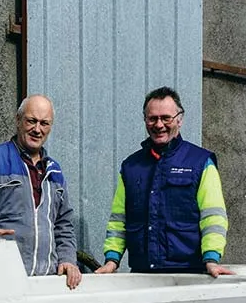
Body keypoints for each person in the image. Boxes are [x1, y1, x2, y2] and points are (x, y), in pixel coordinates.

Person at [95, 86, 232, 278]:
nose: (159, 124)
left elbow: (213, 217)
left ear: (179, 119)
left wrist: (211, 259)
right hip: (141, 275)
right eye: (153, 118)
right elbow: (119, 221)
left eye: (166, 118)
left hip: (189, 275)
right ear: (145, 121)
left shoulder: (200, 162)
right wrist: (112, 260)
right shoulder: (131, 167)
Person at [0, 94, 81, 289]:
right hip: (3, 279)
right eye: (31, 121)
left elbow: (63, 223)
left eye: (44, 123)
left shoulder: (55, 171)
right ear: (18, 120)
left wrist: (67, 259)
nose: (37, 129)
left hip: (47, 281)